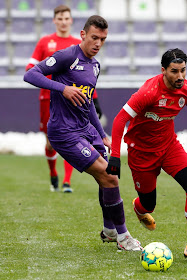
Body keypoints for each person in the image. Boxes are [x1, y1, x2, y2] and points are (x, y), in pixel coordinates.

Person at [24, 15, 141, 251]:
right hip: (63, 132)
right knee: (110, 177)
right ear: (83, 35)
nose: (98, 43)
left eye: (103, 39)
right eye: (94, 37)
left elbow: (87, 105)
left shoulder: (95, 66)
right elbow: (30, 74)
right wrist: (63, 88)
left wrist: (102, 134)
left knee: (105, 178)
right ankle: (123, 237)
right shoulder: (67, 56)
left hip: (86, 129)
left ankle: (109, 230)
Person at [106, 48, 187, 262]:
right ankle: (139, 207)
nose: (180, 76)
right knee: (148, 204)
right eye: (174, 71)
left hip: (169, 147)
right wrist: (115, 155)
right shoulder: (148, 92)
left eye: (183, 71)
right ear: (163, 70)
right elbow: (119, 120)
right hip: (141, 153)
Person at [26, 5, 103, 193]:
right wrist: (60, 87)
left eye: (66, 18)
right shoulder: (45, 42)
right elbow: (31, 70)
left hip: (76, 103)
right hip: (48, 99)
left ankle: (67, 181)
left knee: (77, 137)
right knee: (51, 141)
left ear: (71, 21)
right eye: (59, 19)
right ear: (54, 21)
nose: (63, 22)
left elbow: (87, 81)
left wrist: (95, 100)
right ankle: (53, 173)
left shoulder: (80, 44)